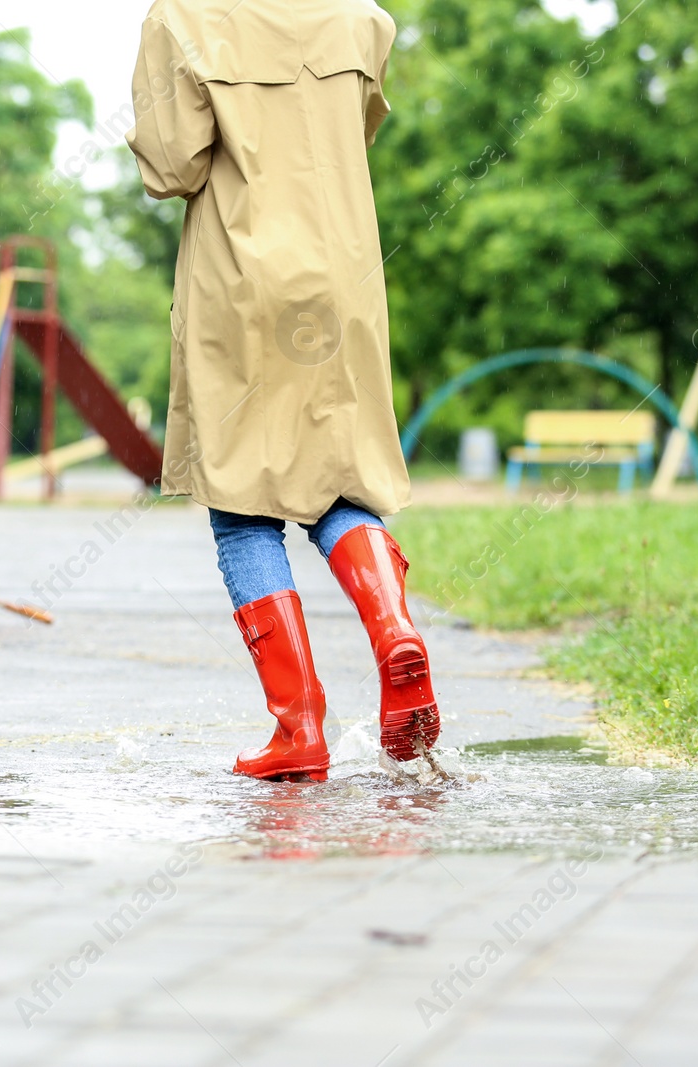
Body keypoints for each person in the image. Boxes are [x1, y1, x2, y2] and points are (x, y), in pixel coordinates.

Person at [126, 0, 439, 780]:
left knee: (242, 507)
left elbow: (173, 168)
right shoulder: (360, 17)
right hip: (344, 277)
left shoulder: (183, 16)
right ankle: (394, 625)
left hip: (241, 281)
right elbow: (350, 133)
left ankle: (298, 727)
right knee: (340, 473)